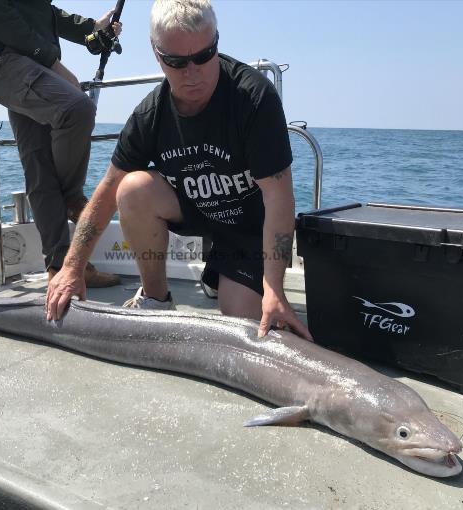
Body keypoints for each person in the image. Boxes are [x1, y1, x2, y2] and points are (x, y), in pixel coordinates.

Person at [46, 0, 312, 341]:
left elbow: (279, 197)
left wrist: (274, 287)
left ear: (216, 41)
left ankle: (225, 276)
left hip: (249, 230)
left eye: (204, 56)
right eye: (177, 62)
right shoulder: (151, 115)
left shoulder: (253, 98)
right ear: (157, 55)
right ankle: (156, 299)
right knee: (131, 188)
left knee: (245, 327)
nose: (193, 72)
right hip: (198, 211)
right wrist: (72, 267)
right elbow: (108, 191)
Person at [0, 0, 122, 287]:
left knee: (39, 166)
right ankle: (72, 196)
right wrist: (57, 67)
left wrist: (93, 27)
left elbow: (42, 11)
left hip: (28, 63)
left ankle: (62, 268)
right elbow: (1, 17)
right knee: (77, 108)